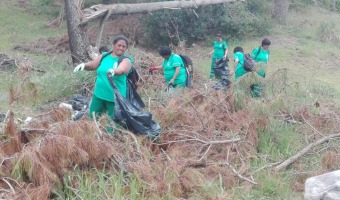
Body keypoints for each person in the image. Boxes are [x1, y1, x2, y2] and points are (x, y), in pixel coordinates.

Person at [73, 35, 132, 120]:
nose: (121, 48)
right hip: (99, 95)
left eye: (124, 47)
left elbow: (123, 70)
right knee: (93, 117)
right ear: (113, 45)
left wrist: (114, 71)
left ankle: (111, 133)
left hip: (115, 98)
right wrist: (84, 65)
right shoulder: (104, 56)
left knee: (115, 121)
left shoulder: (126, 60)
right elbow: (93, 65)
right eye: (119, 45)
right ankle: (94, 132)